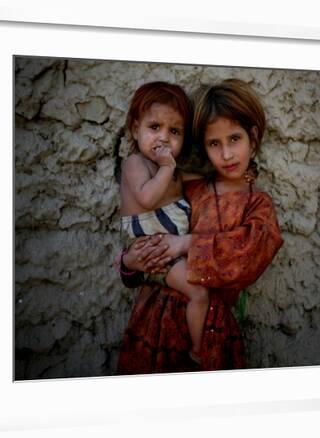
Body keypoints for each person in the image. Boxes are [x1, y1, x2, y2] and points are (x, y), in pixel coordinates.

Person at [117, 79, 284, 374]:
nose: (227, 154)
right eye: (214, 144)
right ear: (202, 146)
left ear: (253, 138)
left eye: (235, 138)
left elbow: (246, 257)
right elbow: (142, 255)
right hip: (153, 325)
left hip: (209, 331)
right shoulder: (187, 189)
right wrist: (130, 262)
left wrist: (185, 243)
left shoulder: (257, 205)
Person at [118, 81, 208, 363]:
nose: (164, 138)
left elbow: (207, 179)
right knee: (199, 293)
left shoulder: (175, 172)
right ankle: (198, 349)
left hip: (168, 253)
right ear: (135, 129)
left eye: (175, 131)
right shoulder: (136, 164)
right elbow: (145, 197)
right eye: (154, 127)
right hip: (154, 253)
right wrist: (168, 167)